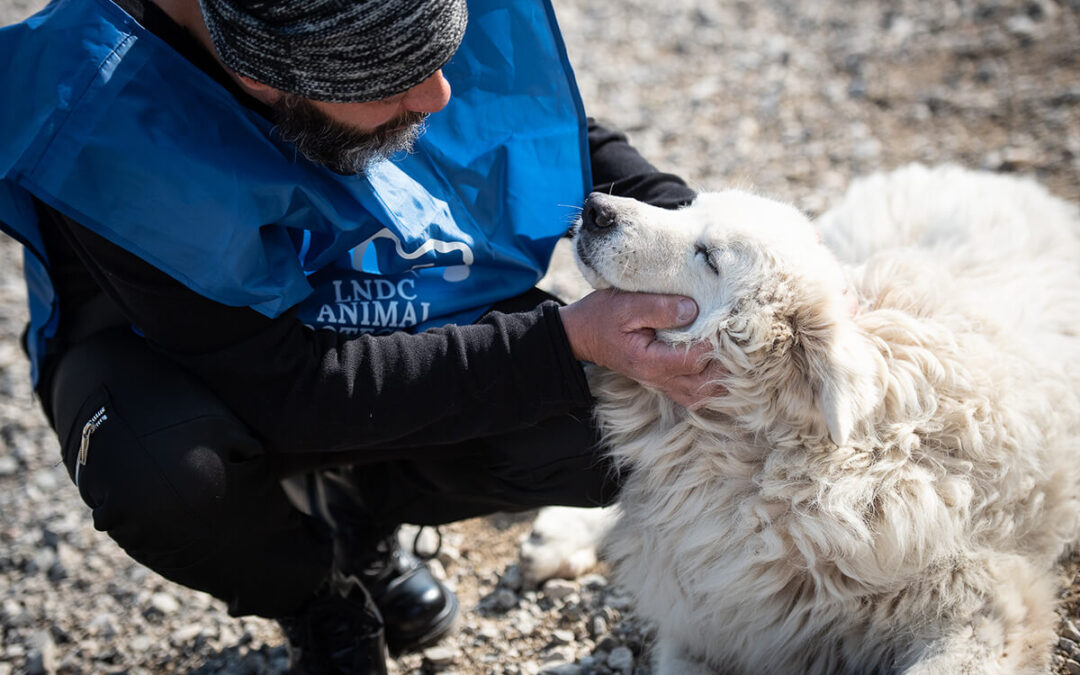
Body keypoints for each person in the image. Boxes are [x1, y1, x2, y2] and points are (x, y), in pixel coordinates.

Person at [0, 0, 721, 671]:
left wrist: (697, 229)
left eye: (443, 54)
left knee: (621, 426)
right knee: (164, 473)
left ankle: (358, 510)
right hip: (187, 358)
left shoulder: (380, 21)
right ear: (260, 77)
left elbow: (530, 130)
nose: (440, 96)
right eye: (399, 84)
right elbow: (288, 385)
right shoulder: (104, 112)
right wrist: (561, 342)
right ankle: (314, 590)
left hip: (374, 285)